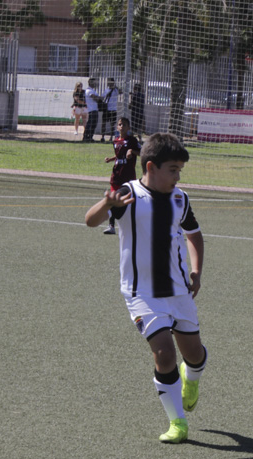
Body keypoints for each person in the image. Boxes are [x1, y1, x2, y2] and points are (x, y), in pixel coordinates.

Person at [84, 132, 209, 443]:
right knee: (165, 354)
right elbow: (90, 220)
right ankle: (177, 422)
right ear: (151, 167)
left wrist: (196, 272)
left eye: (181, 170)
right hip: (142, 294)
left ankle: (190, 378)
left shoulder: (181, 198)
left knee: (193, 355)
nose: (178, 177)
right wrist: (105, 203)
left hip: (179, 291)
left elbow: (194, 235)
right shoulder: (128, 194)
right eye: (173, 170)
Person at [102, 117, 143, 235]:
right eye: (120, 124)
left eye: (124, 125)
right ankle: (111, 226)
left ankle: (135, 225)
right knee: (113, 198)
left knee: (130, 200)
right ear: (117, 127)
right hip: (116, 174)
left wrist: (132, 152)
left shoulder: (132, 140)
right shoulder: (115, 141)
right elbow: (119, 155)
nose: (122, 126)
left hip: (128, 175)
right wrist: (111, 159)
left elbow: (142, 153)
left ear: (129, 127)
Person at [82, 78, 102, 142]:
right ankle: (86, 137)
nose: (95, 83)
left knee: (93, 124)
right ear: (90, 83)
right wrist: (100, 98)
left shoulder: (93, 90)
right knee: (90, 124)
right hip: (92, 110)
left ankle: (90, 137)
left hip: (95, 109)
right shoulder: (89, 91)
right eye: (94, 82)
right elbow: (95, 98)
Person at [100, 77, 119, 143]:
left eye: (110, 82)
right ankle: (102, 137)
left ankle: (111, 137)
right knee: (104, 123)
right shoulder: (106, 90)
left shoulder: (116, 90)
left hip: (113, 109)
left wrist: (115, 87)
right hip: (106, 109)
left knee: (112, 124)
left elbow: (120, 91)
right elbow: (102, 97)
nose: (109, 83)